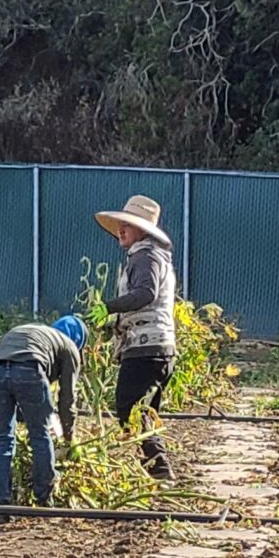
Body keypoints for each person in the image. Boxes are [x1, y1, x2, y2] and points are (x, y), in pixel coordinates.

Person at [97, 195, 177, 479]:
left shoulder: (146, 256)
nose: (121, 229)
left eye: (127, 225)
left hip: (147, 349)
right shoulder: (145, 256)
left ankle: (160, 471)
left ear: (143, 230)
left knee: (130, 410)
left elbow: (145, 294)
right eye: (121, 224)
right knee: (142, 411)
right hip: (153, 346)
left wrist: (107, 306)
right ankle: (152, 471)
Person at [0, 315, 87, 515]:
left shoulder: (37, 332)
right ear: (79, 341)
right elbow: (67, 400)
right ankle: (44, 499)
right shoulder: (70, 347)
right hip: (29, 368)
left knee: (2, 438)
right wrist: (69, 437)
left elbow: (10, 375)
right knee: (39, 434)